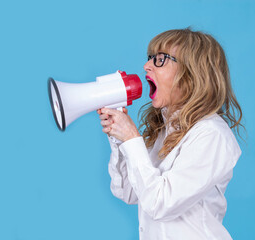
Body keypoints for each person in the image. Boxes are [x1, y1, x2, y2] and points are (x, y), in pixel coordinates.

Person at [97, 28, 244, 239]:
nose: (146, 66)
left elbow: (160, 203)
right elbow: (128, 192)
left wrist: (131, 138)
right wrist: (119, 138)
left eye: (160, 60)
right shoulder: (164, 130)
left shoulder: (211, 134)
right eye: (149, 58)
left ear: (192, 73)